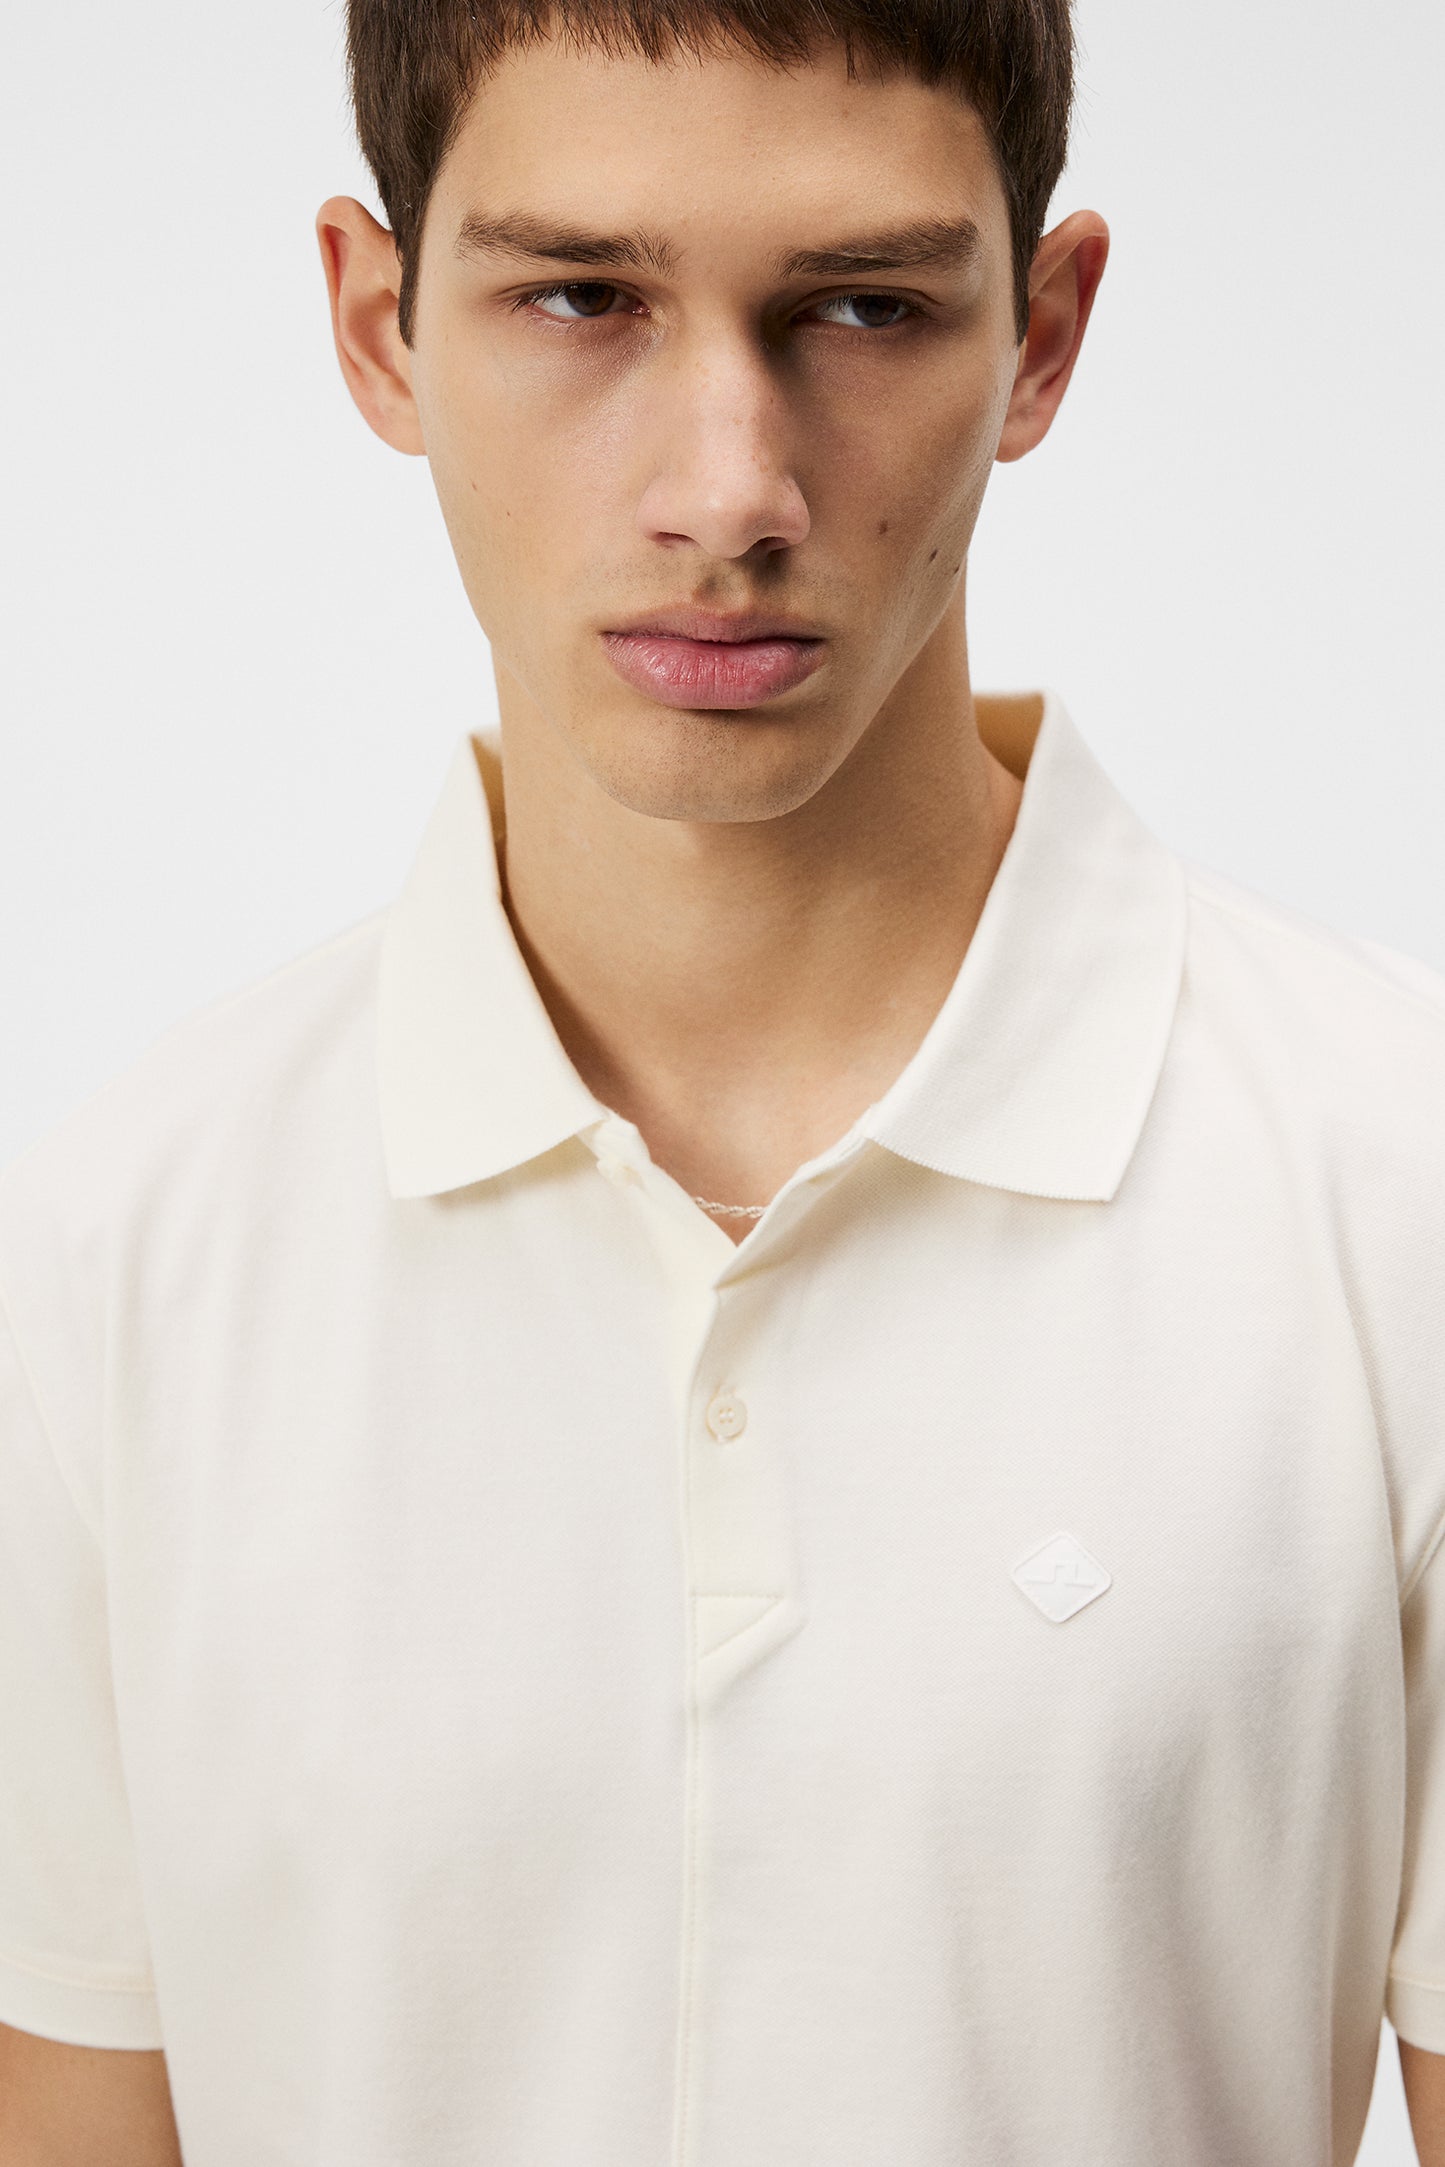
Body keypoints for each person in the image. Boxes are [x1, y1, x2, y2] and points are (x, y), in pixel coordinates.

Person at [2, 1, 1444, 2161]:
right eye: (581, 298)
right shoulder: (114, 1255)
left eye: (863, 309)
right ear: (380, 328)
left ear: (1042, 338)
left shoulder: (1400, 1190)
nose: (727, 491)